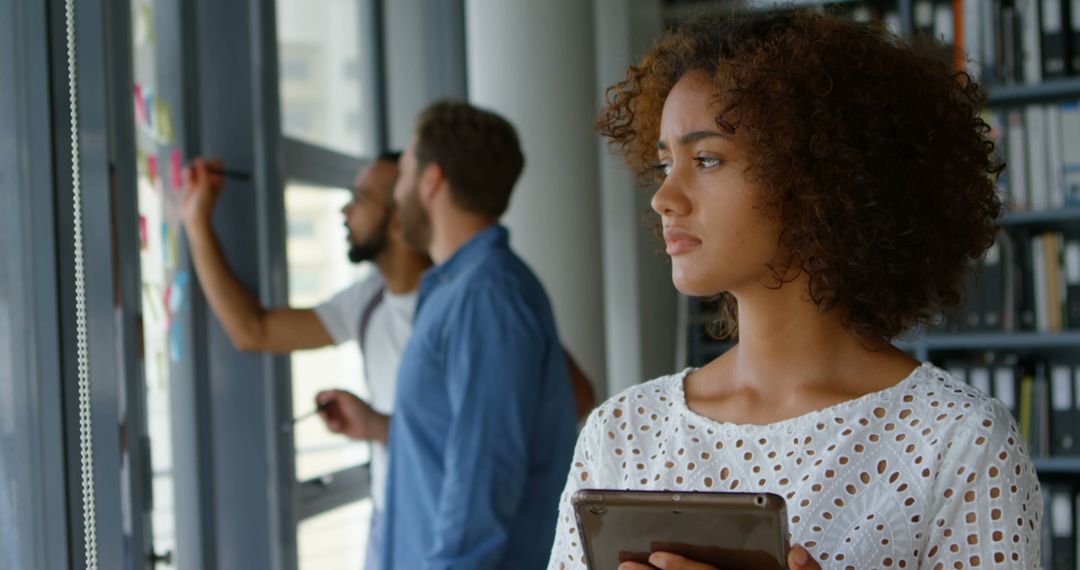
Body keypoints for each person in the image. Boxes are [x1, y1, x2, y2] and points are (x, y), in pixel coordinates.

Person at [549, 9, 1041, 570]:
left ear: (821, 179)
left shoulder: (957, 442)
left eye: (706, 159)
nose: (665, 197)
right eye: (665, 163)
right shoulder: (622, 433)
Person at [180, 152, 594, 570]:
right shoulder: (369, 299)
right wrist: (196, 225)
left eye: (360, 199)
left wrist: (382, 426)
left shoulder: (476, 304)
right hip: (393, 523)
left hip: (452, 534)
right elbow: (254, 331)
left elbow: (571, 401)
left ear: (400, 219)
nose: (345, 210)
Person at [345, 100, 578, 569]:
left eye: (405, 173)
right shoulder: (459, 290)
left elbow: (484, 479)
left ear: (432, 180)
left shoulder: (486, 297)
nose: (398, 194)